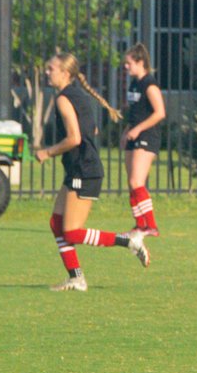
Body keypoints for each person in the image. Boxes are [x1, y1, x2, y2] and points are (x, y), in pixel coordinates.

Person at [36, 52, 150, 292]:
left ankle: (128, 241)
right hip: (79, 168)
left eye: (51, 69)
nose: (47, 72)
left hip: (84, 171)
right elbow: (94, 130)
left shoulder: (64, 99)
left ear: (65, 73)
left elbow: (75, 138)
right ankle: (76, 278)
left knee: (72, 232)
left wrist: (48, 152)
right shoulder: (79, 96)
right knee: (56, 223)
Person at [119, 42, 166, 237]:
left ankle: (151, 226)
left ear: (140, 62)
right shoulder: (134, 84)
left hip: (146, 136)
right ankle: (139, 225)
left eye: (129, 63)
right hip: (134, 133)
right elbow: (135, 112)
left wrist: (137, 130)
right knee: (132, 183)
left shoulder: (150, 84)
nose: (125, 67)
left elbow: (159, 113)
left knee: (137, 181)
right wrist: (127, 131)